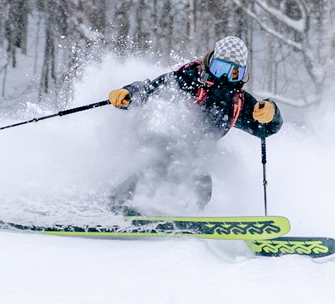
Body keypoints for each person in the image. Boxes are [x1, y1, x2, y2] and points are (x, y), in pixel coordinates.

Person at [105, 35, 282, 213]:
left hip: (192, 156)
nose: (224, 77)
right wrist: (128, 93)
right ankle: (117, 205)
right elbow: (150, 89)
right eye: (220, 68)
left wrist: (271, 113)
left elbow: (264, 129)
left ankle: (185, 217)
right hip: (160, 143)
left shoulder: (238, 102)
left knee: (200, 181)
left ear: (243, 75)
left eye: (234, 73)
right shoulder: (188, 80)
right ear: (210, 62)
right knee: (152, 166)